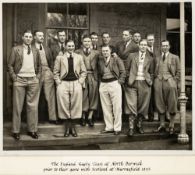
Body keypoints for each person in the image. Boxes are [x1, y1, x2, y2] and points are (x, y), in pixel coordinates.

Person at [8, 29, 41, 140]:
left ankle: (32, 130)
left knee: (32, 107)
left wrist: (37, 77)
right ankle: (16, 131)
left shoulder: (36, 50)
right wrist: (14, 78)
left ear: (32, 39)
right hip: (20, 80)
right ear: (22, 38)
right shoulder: (16, 49)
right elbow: (10, 66)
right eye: (26, 36)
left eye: (30, 37)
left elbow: (40, 66)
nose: (28, 38)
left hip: (33, 80)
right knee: (18, 106)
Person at [53, 40, 87, 137]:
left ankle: (73, 128)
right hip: (63, 83)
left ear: (74, 47)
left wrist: (80, 81)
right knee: (64, 105)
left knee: (75, 105)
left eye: (72, 46)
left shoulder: (79, 57)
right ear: (66, 47)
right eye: (69, 46)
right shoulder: (60, 58)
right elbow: (55, 72)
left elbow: (83, 72)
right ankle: (67, 128)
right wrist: (58, 82)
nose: (71, 47)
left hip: (76, 83)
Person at [125, 39, 154, 136]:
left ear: (147, 46)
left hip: (145, 83)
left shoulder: (150, 58)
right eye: (141, 44)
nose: (143, 46)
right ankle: (131, 127)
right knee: (132, 104)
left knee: (143, 105)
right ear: (139, 45)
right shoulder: (132, 56)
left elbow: (152, 72)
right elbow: (126, 69)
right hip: (132, 83)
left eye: (145, 45)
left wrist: (150, 81)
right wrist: (129, 79)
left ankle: (139, 125)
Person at [153, 40, 180, 135]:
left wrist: (174, 82)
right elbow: (154, 71)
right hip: (159, 82)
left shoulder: (175, 57)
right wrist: (156, 80)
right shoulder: (157, 58)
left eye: (166, 45)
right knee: (159, 103)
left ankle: (171, 125)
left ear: (169, 46)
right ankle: (162, 124)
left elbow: (179, 71)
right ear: (161, 47)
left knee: (172, 103)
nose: (164, 47)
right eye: (163, 46)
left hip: (170, 82)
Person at [98, 45, 126, 135]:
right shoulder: (100, 60)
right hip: (103, 84)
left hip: (114, 83)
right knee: (106, 107)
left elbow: (123, 71)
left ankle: (117, 128)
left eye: (106, 51)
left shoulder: (116, 59)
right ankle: (109, 127)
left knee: (117, 107)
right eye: (103, 51)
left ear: (110, 51)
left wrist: (120, 82)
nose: (105, 52)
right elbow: (99, 72)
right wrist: (100, 83)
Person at [33, 30, 58, 124]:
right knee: (34, 96)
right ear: (34, 37)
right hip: (36, 73)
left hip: (47, 72)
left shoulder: (47, 48)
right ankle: (33, 119)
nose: (42, 37)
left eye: (42, 36)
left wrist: (51, 72)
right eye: (39, 35)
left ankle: (53, 118)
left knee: (50, 96)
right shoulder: (31, 48)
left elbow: (51, 61)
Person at [75, 35, 99, 127]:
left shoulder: (96, 53)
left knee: (93, 96)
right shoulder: (78, 52)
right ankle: (83, 116)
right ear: (82, 42)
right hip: (82, 76)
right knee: (83, 96)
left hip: (93, 76)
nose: (87, 43)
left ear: (91, 42)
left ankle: (90, 117)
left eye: (89, 41)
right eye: (85, 41)